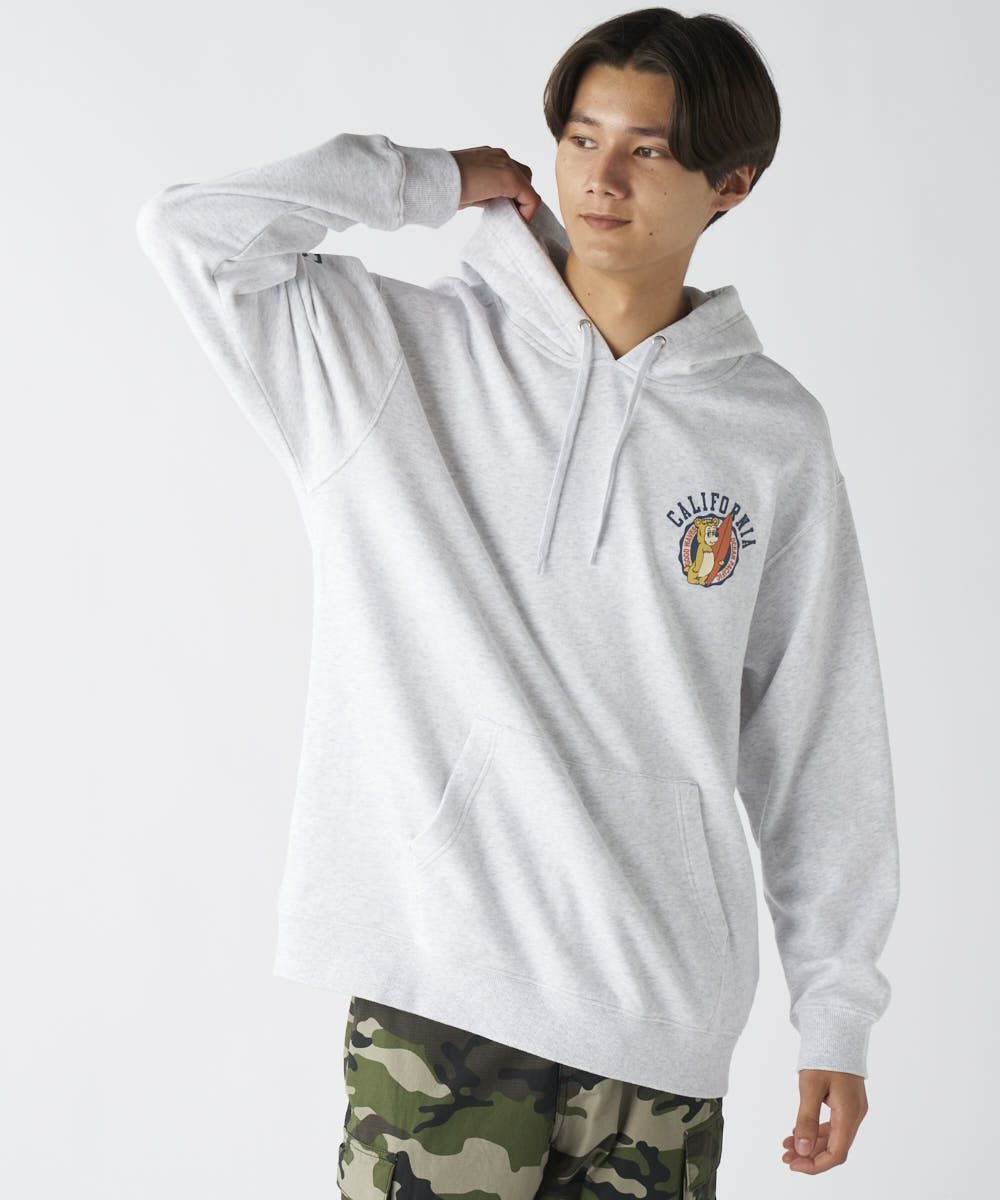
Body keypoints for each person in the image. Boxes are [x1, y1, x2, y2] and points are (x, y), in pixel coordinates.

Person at [135, 7, 900, 1195]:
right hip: (446, 995)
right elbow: (190, 233)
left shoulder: (770, 435)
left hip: (663, 1021)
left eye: (646, 149)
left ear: (731, 184)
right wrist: (422, 181)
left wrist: (835, 1010)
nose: (600, 176)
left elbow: (817, 734)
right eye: (581, 137)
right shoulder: (390, 355)